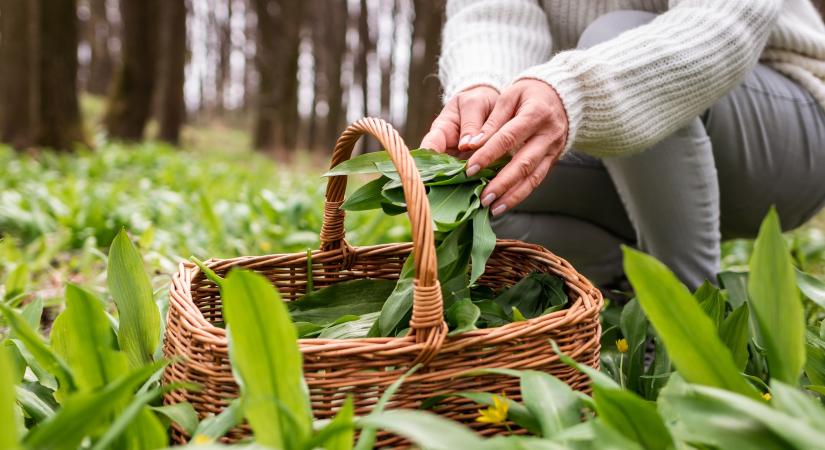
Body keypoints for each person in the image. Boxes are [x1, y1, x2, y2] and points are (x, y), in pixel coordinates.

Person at [421, 0, 825, 290]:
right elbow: (492, 15)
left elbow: (725, 20)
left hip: (786, 130)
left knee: (615, 35)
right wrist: (485, 89)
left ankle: (689, 315)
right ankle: (631, 283)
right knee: (477, 187)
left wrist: (576, 90)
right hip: (624, 152)